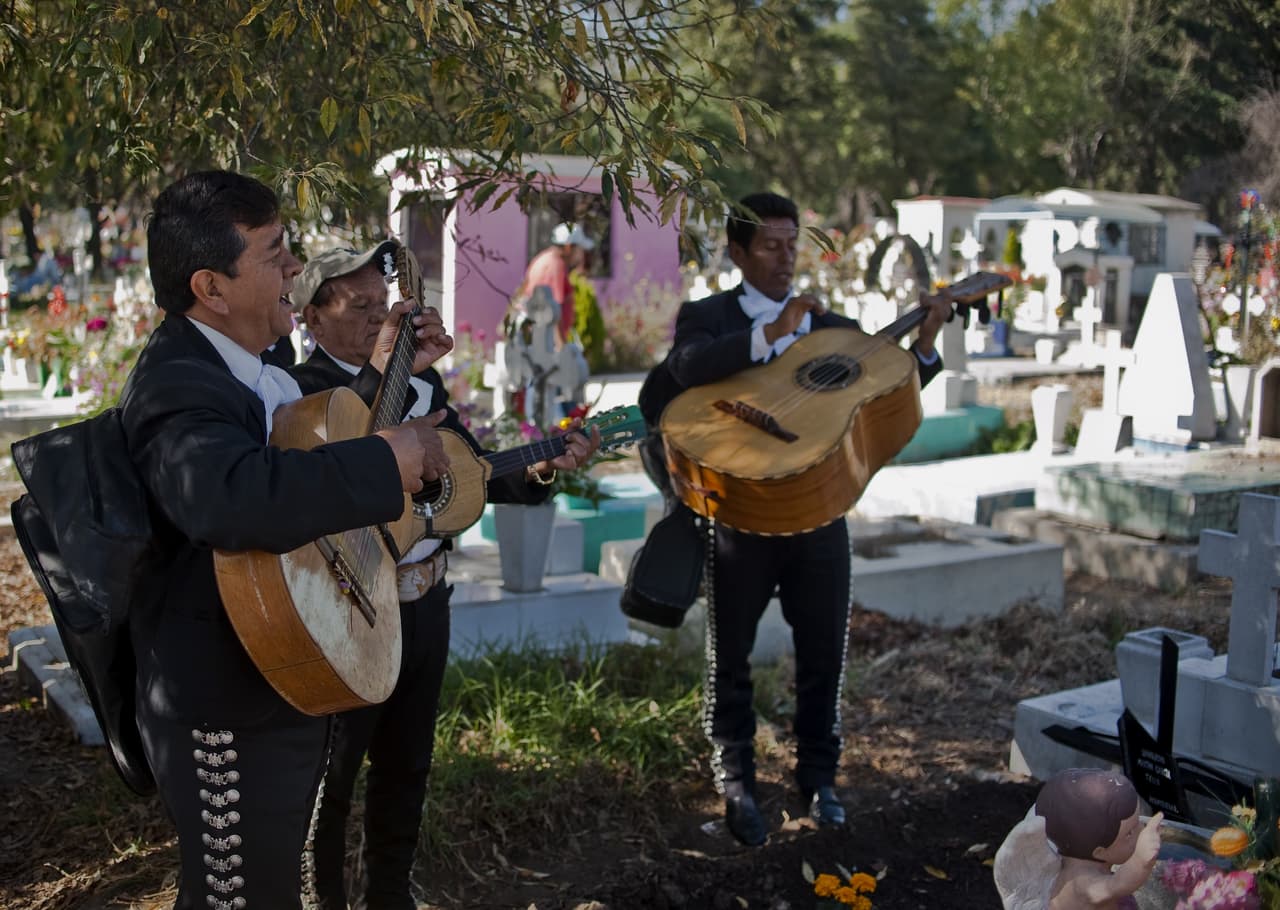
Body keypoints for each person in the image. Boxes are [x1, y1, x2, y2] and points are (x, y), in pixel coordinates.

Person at [118, 170, 452, 909]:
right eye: (274, 256)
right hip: (223, 705)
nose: (295, 269)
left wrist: (383, 376)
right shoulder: (176, 383)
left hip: (277, 677)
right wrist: (383, 460)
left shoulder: (257, 364)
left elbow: (300, 452)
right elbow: (233, 499)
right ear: (212, 286)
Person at [289, 238, 601, 910]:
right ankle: (326, 901)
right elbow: (339, 471)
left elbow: (472, 475)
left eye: (385, 302)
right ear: (311, 318)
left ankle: (391, 896)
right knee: (333, 776)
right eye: (359, 305)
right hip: (349, 613)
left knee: (407, 767)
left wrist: (548, 463)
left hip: (425, 605)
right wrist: (383, 371)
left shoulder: (424, 385)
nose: (380, 317)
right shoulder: (301, 394)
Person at [639, 192, 953, 846]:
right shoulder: (708, 316)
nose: (787, 259)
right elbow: (684, 371)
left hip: (818, 513)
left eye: (792, 244)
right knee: (730, 658)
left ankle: (819, 780)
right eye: (771, 246)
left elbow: (879, 390)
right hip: (739, 520)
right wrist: (767, 337)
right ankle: (736, 781)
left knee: (823, 656)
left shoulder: (831, 326)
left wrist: (924, 346)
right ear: (737, 251)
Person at [994, 768, 1163, 910]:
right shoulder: (1082, 884)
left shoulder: (1082, 861)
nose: (1141, 830)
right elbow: (1123, 881)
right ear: (1100, 852)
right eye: (1130, 832)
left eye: (1139, 823)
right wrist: (1142, 859)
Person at [515, 221, 594, 345]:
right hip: (543, 339)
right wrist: (561, 346)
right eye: (579, 249)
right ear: (568, 247)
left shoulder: (543, 258)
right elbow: (554, 310)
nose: (581, 255)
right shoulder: (556, 265)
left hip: (536, 335)